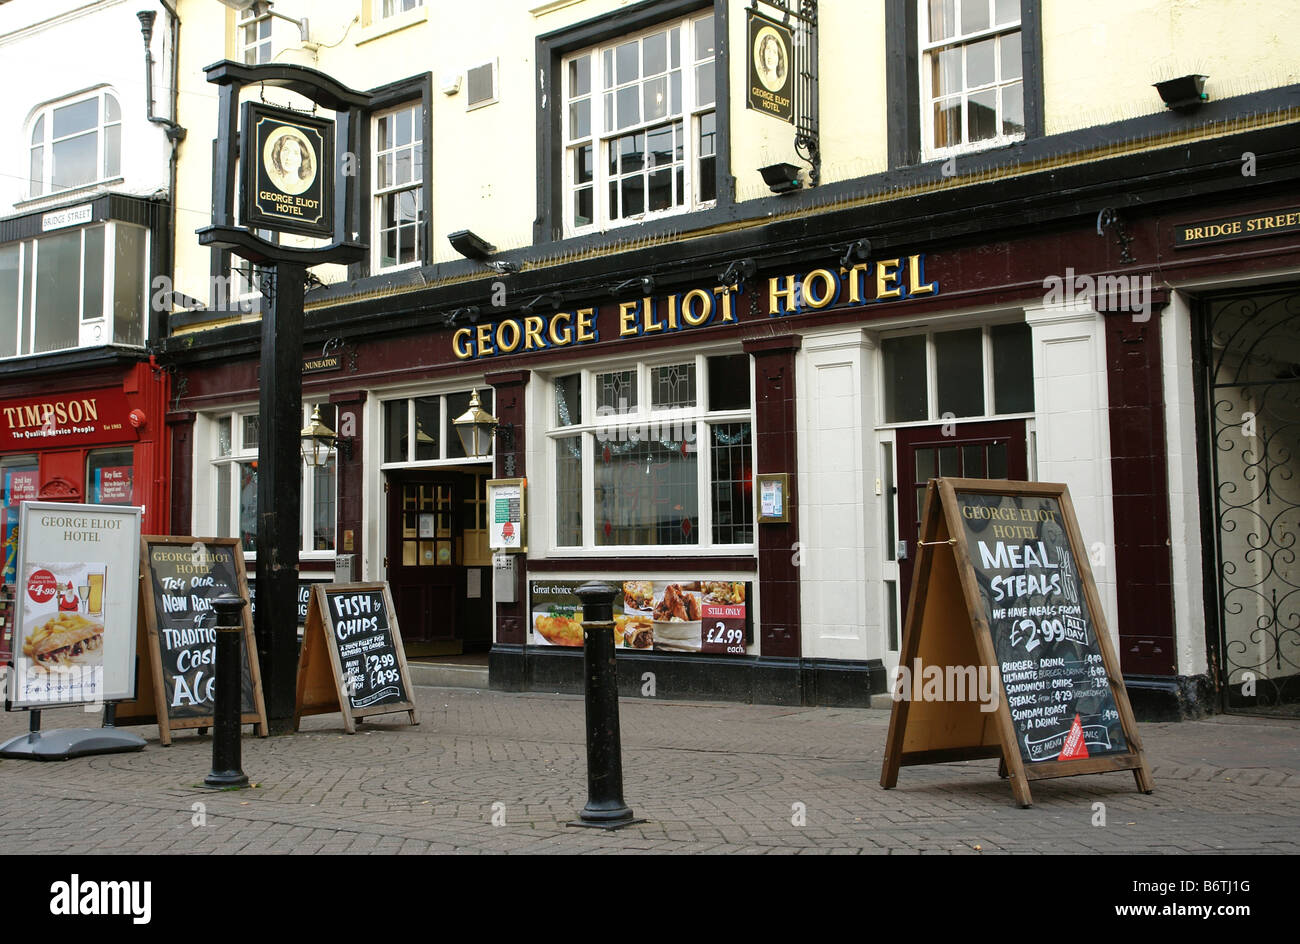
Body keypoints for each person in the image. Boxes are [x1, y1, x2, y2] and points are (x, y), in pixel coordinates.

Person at [266, 130, 314, 195]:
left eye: (295, 153)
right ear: (278, 156)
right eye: (285, 150)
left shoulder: (304, 186)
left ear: (302, 160)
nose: (289, 157)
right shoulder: (274, 183)